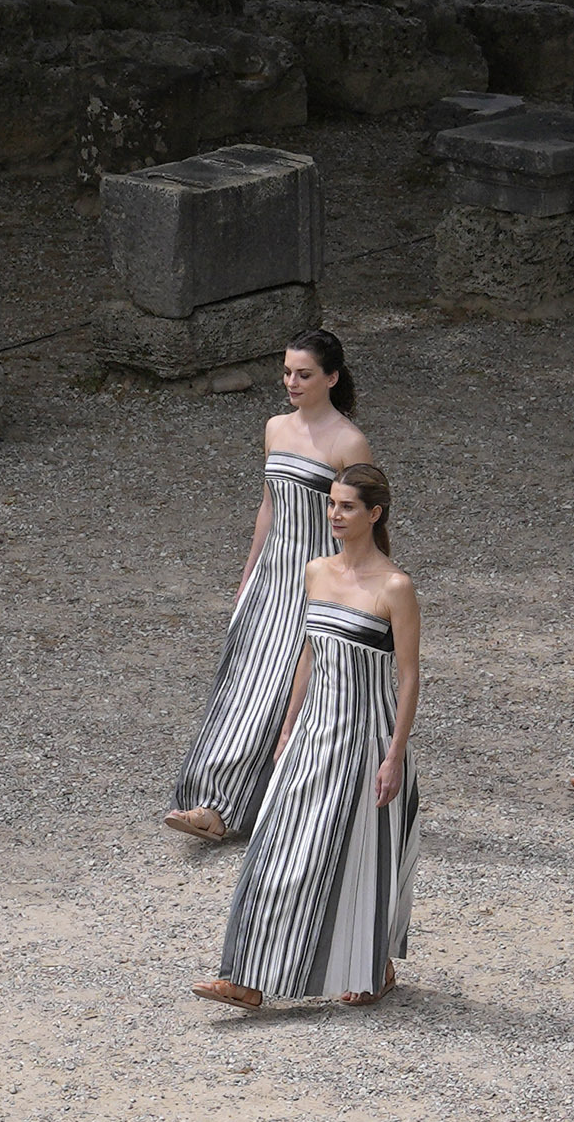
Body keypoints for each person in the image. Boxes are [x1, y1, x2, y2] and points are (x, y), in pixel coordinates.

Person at [205, 461, 421, 1010]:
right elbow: (307, 652)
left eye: (348, 506)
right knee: (276, 849)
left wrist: (394, 755)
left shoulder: (395, 587)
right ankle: (246, 977)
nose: (335, 514)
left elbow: (409, 676)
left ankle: (373, 964)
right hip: (312, 733)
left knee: (357, 856)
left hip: (367, 740)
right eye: (331, 504)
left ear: (374, 514)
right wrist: (287, 726)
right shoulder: (315, 571)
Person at [172, 334, 372, 844]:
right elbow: (268, 505)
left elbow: (360, 518)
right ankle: (210, 800)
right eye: (286, 373)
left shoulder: (349, 443)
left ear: (331, 377)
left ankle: (244, 807)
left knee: (279, 695)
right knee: (240, 686)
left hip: (316, 579)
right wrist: (248, 573)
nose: (291, 383)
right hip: (271, 575)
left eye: (303, 374)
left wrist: (350, 585)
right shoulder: (275, 428)